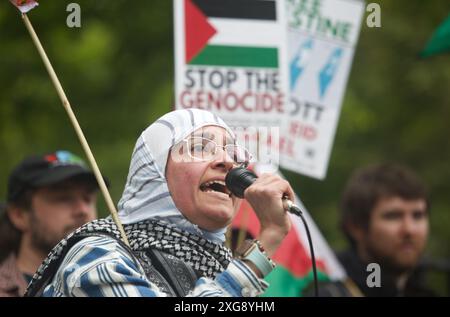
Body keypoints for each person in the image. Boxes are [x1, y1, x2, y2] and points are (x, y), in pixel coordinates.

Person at [25, 109, 293, 297]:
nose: (227, 162)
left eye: (232, 152)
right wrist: (266, 241)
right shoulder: (98, 256)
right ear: (154, 173)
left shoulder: (219, 268)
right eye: (200, 148)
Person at [313, 163, 433, 296]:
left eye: (418, 215)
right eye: (393, 216)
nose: (409, 229)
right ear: (355, 227)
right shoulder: (322, 290)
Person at [0, 151, 100, 297]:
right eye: (64, 198)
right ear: (19, 215)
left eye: (88, 198)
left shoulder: (129, 279)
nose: (83, 210)